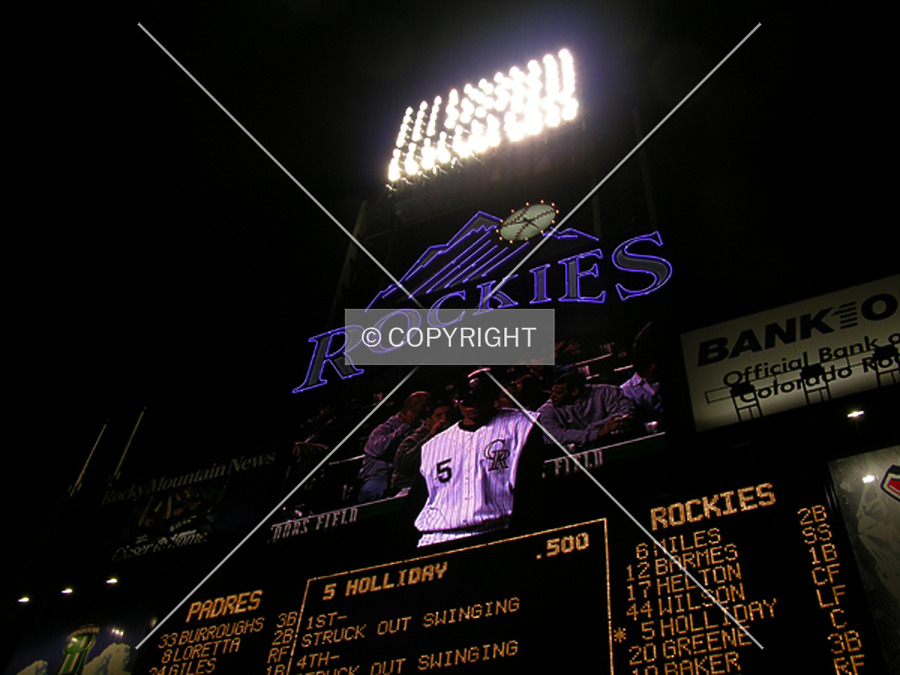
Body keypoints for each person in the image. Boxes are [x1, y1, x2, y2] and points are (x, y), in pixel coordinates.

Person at [413, 374, 545, 547]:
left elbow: (529, 487)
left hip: (496, 530)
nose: (473, 406)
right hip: (438, 536)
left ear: (493, 397)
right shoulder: (433, 446)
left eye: (479, 399)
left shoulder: (523, 424)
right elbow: (418, 499)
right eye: (467, 400)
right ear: (457, 401)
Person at [356, 391, 432, 503]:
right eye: (418, 412)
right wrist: (405, 426)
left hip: (404, 476)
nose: (421, 417)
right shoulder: (385, 428)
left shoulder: (420, 427)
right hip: (379, 476)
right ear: (408, 410)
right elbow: (379, 450)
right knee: (375, 490)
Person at [537, 369, 635, 450]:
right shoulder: (546, 411)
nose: (552, 397)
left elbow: (625, 412)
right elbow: (555, 436)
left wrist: (594, 430)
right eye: (552, 392)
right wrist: (598, 432)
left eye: (558, 393)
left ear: (574, 391)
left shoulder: (606, 392)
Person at [390, 401, 456, 495]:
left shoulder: (457, 437)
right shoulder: (413, 440)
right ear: (428, 421)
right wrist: (432, 436)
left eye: (447, 415)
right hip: (411, 489)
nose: (444, 419)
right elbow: (404, 464)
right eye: (439, 416)